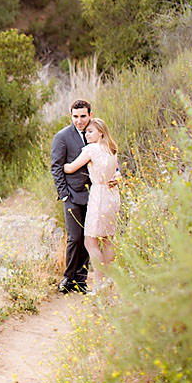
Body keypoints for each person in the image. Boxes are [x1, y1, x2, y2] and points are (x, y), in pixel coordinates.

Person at [64, 117, 121, 292]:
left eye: (90, 131)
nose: (86, 134)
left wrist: (61, 165)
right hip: (113, 195)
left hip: (99, 195)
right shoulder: (112, 149)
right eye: (86, 132)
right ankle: (109, 278)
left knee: (90, 241)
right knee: (108, 238)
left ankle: (99, 283)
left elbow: (71, 167)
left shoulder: (91, 149)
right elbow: (117, 172)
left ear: (101, 132)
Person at [51, 100, 94, 294]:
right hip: (72, 195)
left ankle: (81, 281)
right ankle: (68, 279)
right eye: (75, 116)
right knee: (74, 238)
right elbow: (56, 167)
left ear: (89, 115)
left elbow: (108, 153)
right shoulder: (62, 137)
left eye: (83, 116)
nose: (79, 120)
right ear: (70, 115)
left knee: (88, 238)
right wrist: (64, 195)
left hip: (94, 195)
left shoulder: (96, 133)